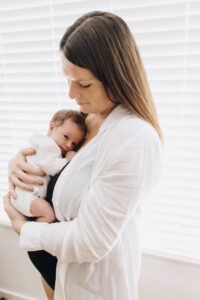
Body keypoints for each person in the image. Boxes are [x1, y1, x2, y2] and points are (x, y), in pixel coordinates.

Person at [4, 11, 163, 300]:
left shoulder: (134, 139)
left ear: (117, 76)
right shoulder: (87, 120)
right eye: (69, 79)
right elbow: (54, 160)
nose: (71, 93)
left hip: (89, 284)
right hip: (56, 270)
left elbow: (90, 241)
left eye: (84, 84)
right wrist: (19, 164)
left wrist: (22, 228)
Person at [11, 109, 86, 223]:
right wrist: (68, 159)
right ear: (52, 128)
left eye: (74, 143)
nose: (69, 145)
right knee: (49, 216)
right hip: (27, 195)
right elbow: (51, 167)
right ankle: (30, 229)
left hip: (26, 194)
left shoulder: (50, 147)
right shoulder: (48, 145)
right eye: (66, 137)